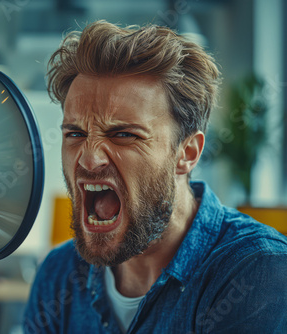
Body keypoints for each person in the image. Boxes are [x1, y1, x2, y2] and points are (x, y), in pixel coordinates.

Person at [24, 21, 287, 333]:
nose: (89, 157)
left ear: (187, 153)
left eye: (123, 134)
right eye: (76, 133)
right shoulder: (58, 275)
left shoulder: (255, 269)